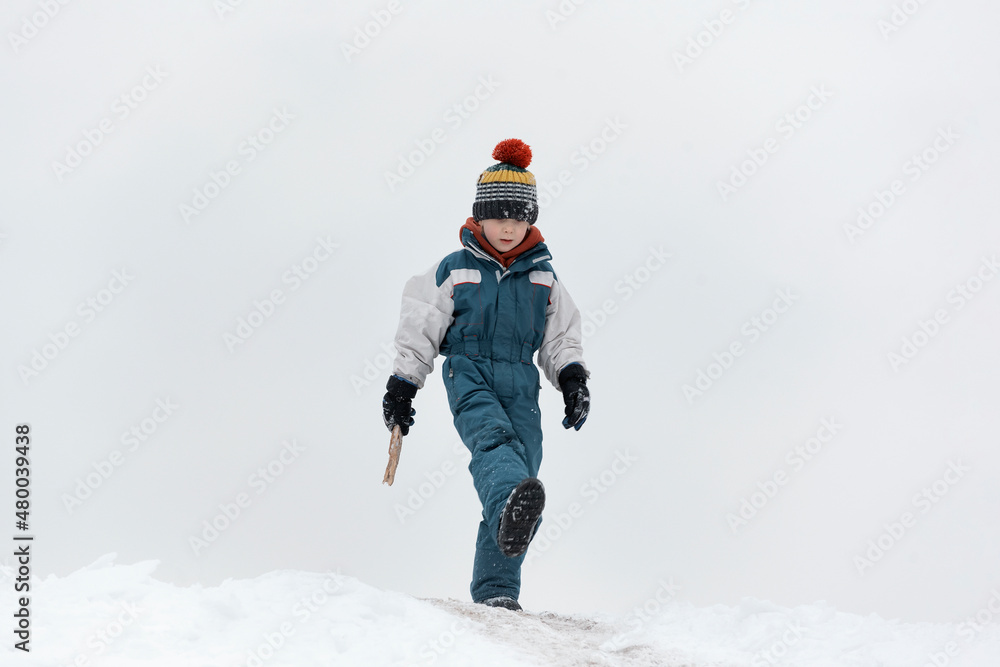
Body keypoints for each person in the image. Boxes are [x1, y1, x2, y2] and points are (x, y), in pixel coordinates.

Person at [382, 138, 590, 611]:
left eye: (519, 217)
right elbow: (420, 327)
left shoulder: (544, 278)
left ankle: (497, 591)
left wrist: (573, 380)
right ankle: (508, 514)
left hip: (522, 381)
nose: (509, 226)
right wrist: (403, 387)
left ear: (531, 220)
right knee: (494, 445)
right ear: (479, 216)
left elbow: (561, 338)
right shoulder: (453, 271)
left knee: (522, 478)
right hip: (469, 371)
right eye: (499, 216)